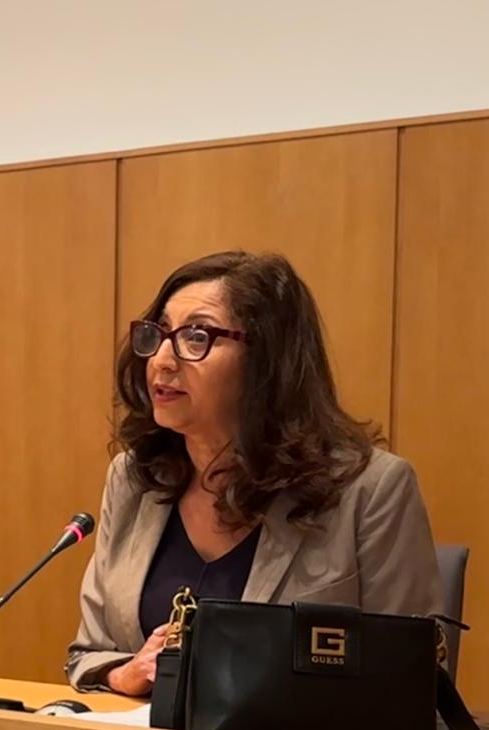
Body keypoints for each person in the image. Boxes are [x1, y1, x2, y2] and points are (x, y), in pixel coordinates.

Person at [68, 251, 440, 694]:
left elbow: (412, 682)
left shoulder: (368, 491)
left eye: (197, 336)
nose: (163, 360)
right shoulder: (135, 478)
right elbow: (88, 652)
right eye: (160, 333)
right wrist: (124, 673)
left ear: (267, 362)